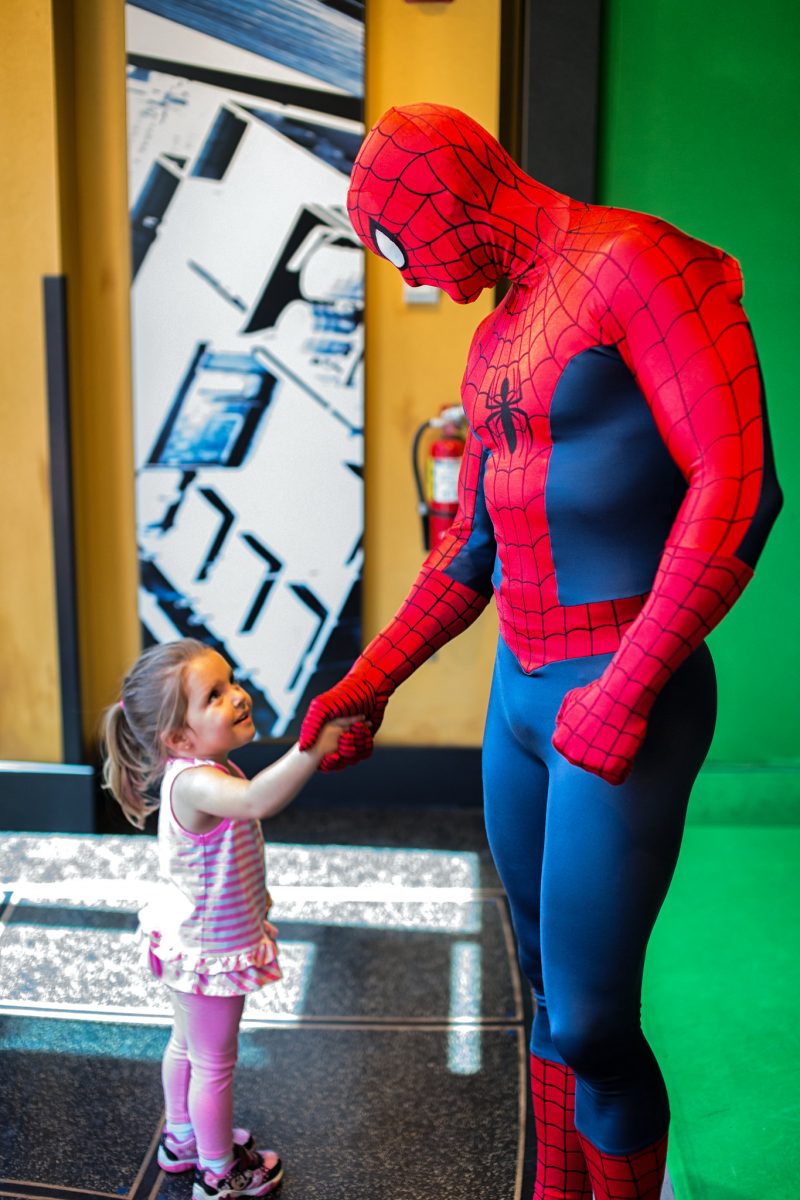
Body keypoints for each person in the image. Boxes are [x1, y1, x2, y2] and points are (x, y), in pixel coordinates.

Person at [298, 104, 782, 1200]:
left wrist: (630, 683)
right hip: (523, 698)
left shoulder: (637, 266)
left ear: (452, 188)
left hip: (623, 681)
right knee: (541, 989)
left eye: (393, 237)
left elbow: (737, 483)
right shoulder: (492, 337)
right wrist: (365, 684)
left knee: (598, 1019)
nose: (403, 268)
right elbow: (467, 548)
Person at [100, 637, 363, 1200]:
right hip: (210, 948)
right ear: (177, 737)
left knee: (186, 1046)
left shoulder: (201, 766)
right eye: (214, 695)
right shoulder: (197, 781)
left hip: (186, 934)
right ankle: (219, 1173)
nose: (237, 697)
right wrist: (312, 749)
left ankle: (182, 1139)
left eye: (231, 682)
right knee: (214, 1064)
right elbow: (257, 801)